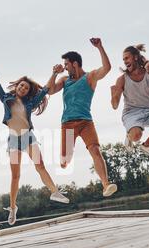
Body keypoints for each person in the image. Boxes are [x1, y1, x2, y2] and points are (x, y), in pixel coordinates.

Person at [0, 58, 69, 226]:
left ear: (28, 91)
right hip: (13, 139)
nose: (23, 88)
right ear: (17, 86)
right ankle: (13, 207)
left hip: (28, 137)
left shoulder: (30, 102)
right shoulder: (6, 98)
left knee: (40, 165)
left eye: (26, 87)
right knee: (16, 176)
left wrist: (54, 73)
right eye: (21, 85)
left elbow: (46, 90)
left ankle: (54, 191)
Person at [48, 37, 118, 197]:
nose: (65, 68)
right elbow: (51, 91)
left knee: (95, 150)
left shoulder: (90, 77)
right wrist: (54, 74)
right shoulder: (64, 80)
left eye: (66, 64)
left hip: (86, 122)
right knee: (64, 162)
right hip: (68, 124)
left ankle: (105, 185)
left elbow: (107, 68)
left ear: (75, 63)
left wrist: (100, 47)